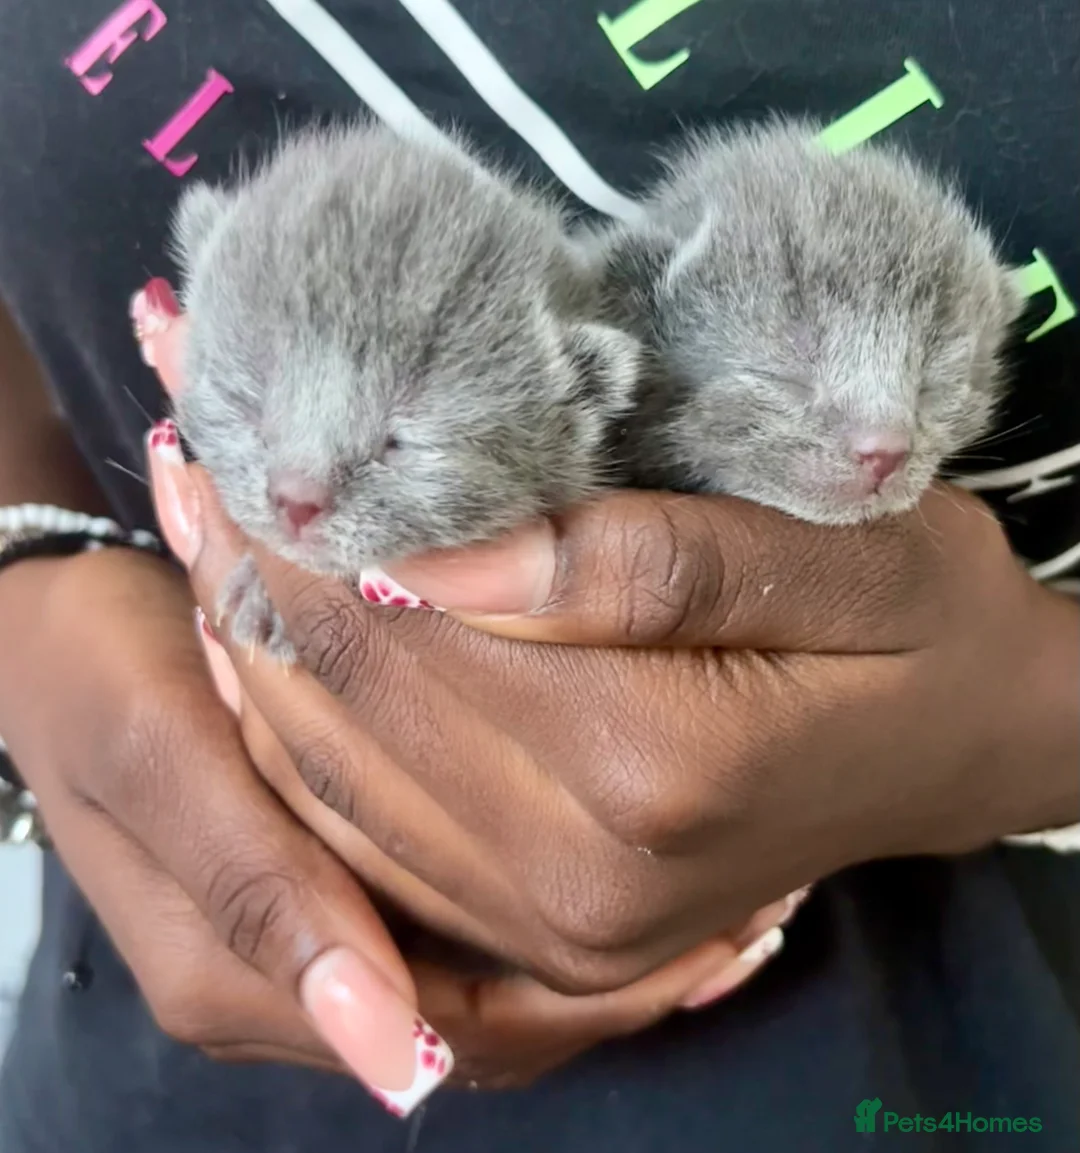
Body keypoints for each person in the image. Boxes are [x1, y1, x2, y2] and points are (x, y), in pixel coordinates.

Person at [0, 1, 1077, 1150]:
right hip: (142, 1055)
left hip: (919, 1034)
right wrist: (26, 590)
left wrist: (1023, 729)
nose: (302, 489)